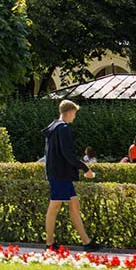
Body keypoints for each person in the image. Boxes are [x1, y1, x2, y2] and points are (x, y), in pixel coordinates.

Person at [43, 100, 101, 252]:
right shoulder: (63, 129)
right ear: (69, 112)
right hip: (60, 174)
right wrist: (85, 168)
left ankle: (86, 242)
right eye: (74, 113)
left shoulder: (54, 127)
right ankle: (50, 243)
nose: (74, 117)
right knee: (54, 207)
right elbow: (68, 154)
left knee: (74, 206)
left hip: (57, 172)